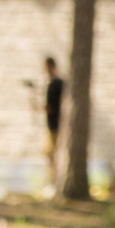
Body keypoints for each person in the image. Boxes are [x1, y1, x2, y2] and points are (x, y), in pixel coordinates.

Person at [42, 55, 66, 190]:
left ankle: (55, 183)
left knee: (51, 154)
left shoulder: (55, 84)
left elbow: (52, 106)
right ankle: (54, 181)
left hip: (55, 126)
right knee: (50, 153)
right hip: (54, 125)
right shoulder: (58, 83)